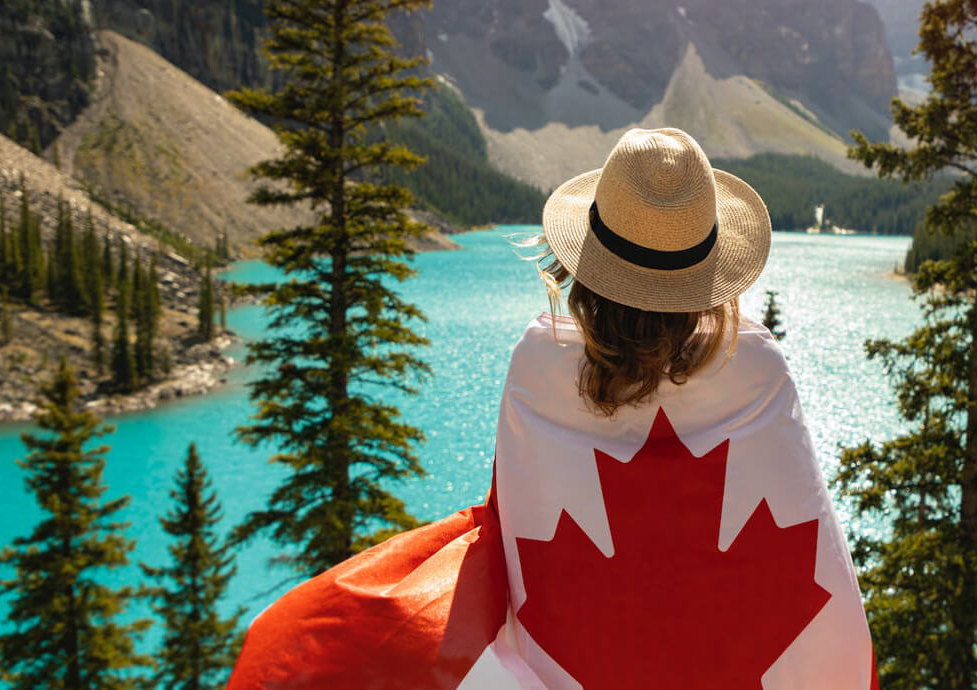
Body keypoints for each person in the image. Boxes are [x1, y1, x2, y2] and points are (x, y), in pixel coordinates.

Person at [228, 129, 875, 689]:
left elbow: (512, 527)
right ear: (710, 273)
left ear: (583, 267)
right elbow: (814, 554)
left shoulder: (538, 364)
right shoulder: (756, 367)